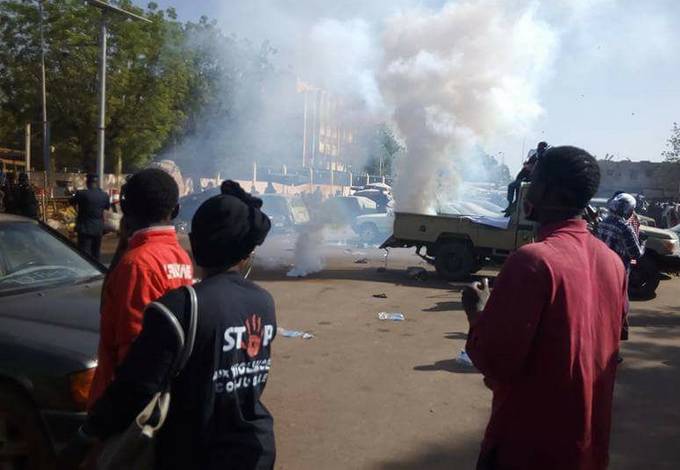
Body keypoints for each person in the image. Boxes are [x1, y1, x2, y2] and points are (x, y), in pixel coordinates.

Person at [76, 181, 275, 469]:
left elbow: (136, 387)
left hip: (196, 453)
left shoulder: (180, 307)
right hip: (254, 449)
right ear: (247, 252)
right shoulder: (263, 302)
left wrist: (88, 433)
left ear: (193, 242)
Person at [462, 146, 627, 470]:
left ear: (549, 190)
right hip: (587, 449)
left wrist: (475, 311)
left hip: (527, 448)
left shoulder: (532, 261)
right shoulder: (613, 263)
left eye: (534, 179)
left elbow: (495, 361)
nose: (527, 187)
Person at [88, 168, 194, 407]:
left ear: (126, 211)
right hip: (164, 393)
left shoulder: (136, 264)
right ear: (175, 210)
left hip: (124, 403)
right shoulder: (180, 256)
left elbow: (131, 349)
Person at [597, 193, 644, 271]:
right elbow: (635, 254)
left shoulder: (603, 222)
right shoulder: (624, 227)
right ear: (628, 210)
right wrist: (643, 242)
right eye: (632, 209)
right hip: (618, 269)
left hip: (601, 266)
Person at [70, 174, 111, 260]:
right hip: (98, 227)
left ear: (87, 183)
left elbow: (71, 202)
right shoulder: (104, 195)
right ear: (97, 183)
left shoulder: (81, 194)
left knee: (84, 253)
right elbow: (107, 207)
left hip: (84, 227)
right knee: (96, 252)